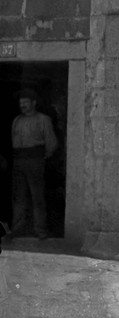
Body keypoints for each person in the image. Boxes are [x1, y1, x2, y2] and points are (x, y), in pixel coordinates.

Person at [8, 89, 58, 240]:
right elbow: (13, 141)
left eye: (25, 102)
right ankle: (17, 229)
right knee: (19, 197)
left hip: (35, 161)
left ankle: (40, 230)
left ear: (34, 103)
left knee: (37, 197)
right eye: (20, 103)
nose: (22, 105)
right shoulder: (17, 120)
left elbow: (52, 142)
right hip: (19, 161)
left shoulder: (43, 119)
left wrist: (43, 157)